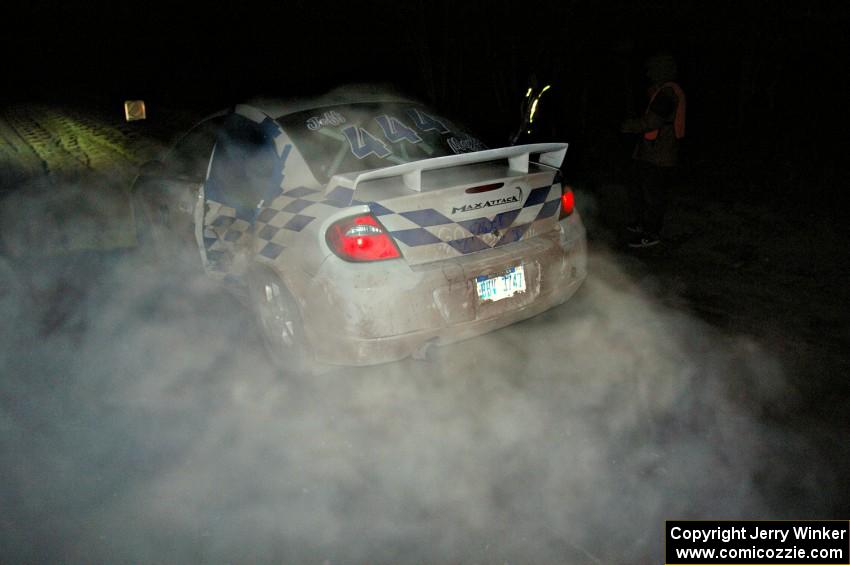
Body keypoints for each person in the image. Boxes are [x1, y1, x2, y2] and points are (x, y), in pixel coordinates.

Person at [621, 53, 686, 248]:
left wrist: (629, 126)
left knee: (653, 195)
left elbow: (652, 121)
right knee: (642, 189)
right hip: (652, 153)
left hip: (660, 155)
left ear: (662, 70)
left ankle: (651, 233)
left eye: (652, 68)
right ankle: (643, 225)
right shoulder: (662, 91)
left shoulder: (667, 93)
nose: (648, 72)